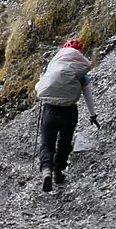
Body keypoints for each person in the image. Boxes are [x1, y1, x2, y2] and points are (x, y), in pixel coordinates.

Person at [34, 38, 99, 192]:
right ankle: (58, 172)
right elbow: (87, 94)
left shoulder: (53, 66)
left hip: (50, 109)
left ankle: (46, 171)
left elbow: (39, 87)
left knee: (47, 144)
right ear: (79, 52)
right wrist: (93, 115)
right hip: (69, 111)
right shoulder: (79, 71)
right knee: (64, 142)